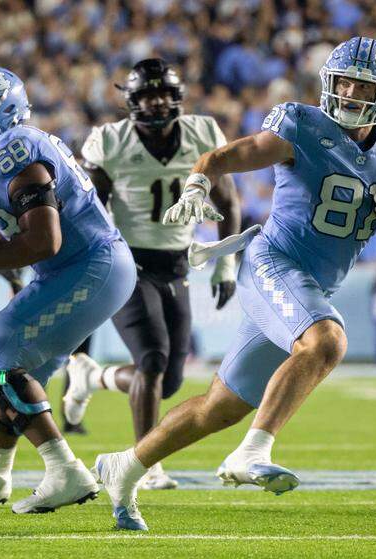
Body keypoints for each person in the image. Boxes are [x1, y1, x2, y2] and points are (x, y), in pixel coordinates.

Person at [95, 37, 376, 531]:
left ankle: (123, 467)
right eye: (341, 80)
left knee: (219, 407)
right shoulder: (302, 125)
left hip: (312, 286)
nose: (347, 91)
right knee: (326, 340)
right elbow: (226, 157)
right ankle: (252, 453)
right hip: (273, 261)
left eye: (360, 84)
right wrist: (197, 180)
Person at [0, 66, 136, 514]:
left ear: (3, 110)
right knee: (22, 376)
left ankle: (65, 470)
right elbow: (15, 229)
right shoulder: (17, 147)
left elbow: (43, 241)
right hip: (82, 268)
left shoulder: (11, 149)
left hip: (84, 266)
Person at [64, 58, 241, 490]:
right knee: (153, 360)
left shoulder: (202, 133)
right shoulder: (110, 141)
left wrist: (226, 260)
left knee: (169, 379)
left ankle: (94, 376)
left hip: (178, 263)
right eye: (147, 95)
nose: (157, 102)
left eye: (163, 93)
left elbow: (229, 200)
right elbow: (89, 211)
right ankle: (145, 464)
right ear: (131, 100)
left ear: (177, 97)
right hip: (128, 262)